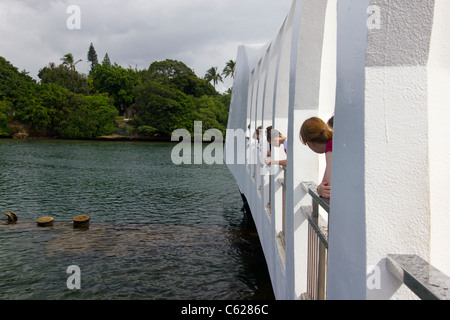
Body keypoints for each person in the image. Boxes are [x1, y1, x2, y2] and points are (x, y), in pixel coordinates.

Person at [300, 117, 333, 198]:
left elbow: (328, 185)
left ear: (310, 143)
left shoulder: (331, 145)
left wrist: (320, 189)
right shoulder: (333, 142)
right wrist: (319, 189)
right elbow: (324, 184)